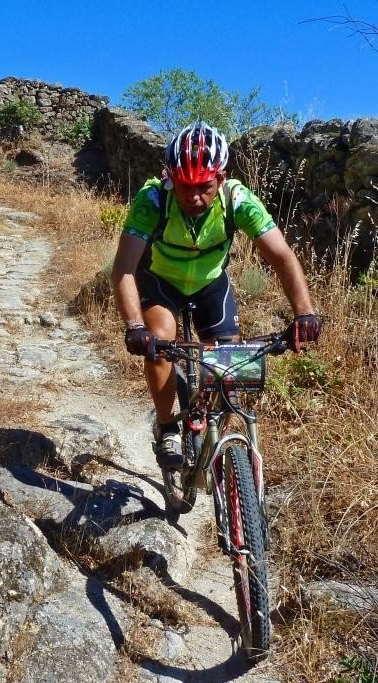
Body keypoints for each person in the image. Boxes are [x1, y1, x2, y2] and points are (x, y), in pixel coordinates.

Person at [111, 121, 321, 471]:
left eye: (204, 186)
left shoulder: (237, 200)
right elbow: (124, 269)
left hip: (211, 284)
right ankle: (166, 426)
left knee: (228, 367)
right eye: (184, 186)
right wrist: (134, 326)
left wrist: (304, 313)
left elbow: (282, 256)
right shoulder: (152, 199)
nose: (194, 197)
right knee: (159, 343)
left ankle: (214, 439)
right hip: (162, 280)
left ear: (221, 178)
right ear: (169, 177)